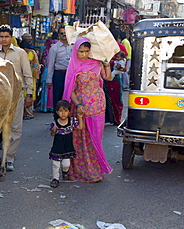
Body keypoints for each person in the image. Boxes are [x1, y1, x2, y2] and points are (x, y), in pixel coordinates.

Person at [62, 37, 113, 183]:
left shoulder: (96, 64)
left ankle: (95, 170)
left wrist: (106, 63)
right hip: (81, 109)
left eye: (86, 51)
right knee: (81, 141)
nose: (83, 54)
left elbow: (108, 77)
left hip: (98, 107)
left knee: (96, 140)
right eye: (81, 51)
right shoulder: (73, 66)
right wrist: (78, 105)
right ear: (75, 51)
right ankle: (82, 172)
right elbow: (70, 89)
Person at [0, 24, 33, 171]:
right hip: (0, 97)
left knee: (15, 128)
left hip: (16, 95)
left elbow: (27, 74)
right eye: (1, 36)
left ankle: (9, 158)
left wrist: (29, 93)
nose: (4, 39)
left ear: (11, 37)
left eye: (6, 36)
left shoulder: (20, 53)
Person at [49, 100, 83, 188]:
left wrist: (80, 118)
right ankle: (55, 178)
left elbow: (80, 127)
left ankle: (65, 172)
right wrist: (53, 131)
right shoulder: (55, 123)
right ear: (57, 112)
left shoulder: (71, 121)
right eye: (60, 111)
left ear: (69, 111)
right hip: (57, 147)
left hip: (67, 147)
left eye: (65, 111)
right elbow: (52, 135)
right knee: (56, 164)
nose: (63, 113)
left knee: (66, 164)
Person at [47, 26, 72, 119]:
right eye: (62, 33)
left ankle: (68, 118)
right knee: (57, 96)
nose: (64, 35)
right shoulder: (54, 48)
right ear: (59, 35)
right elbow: (50, 65)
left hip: (70, 74)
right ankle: (57, 118)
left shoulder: (73, 46)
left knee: (69, 96)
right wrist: (49, 79)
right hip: (59, 74)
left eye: (65, 33)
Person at [104, 29, 128, 126]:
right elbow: (126, 63)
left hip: (105, 75)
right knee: (116, 99)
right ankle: (116, 119)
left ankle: (109, 118)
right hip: (114, 77)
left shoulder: (104, 46)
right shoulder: (121, 46)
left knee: (107, 97)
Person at [19, 39, 40, 120]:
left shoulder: (30, 53)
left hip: (29, 76)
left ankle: (29, 113)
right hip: (31, 75)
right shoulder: (32, 52)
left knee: (29, 93)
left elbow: (27, 62)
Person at [40, 34, 59, 113]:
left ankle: (45, 107)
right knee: (51, 91)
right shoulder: (56, 52)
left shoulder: (46, 52)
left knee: (46, 91)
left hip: (47, 72)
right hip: (53, 72)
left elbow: (43, 62)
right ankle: (51, 107)